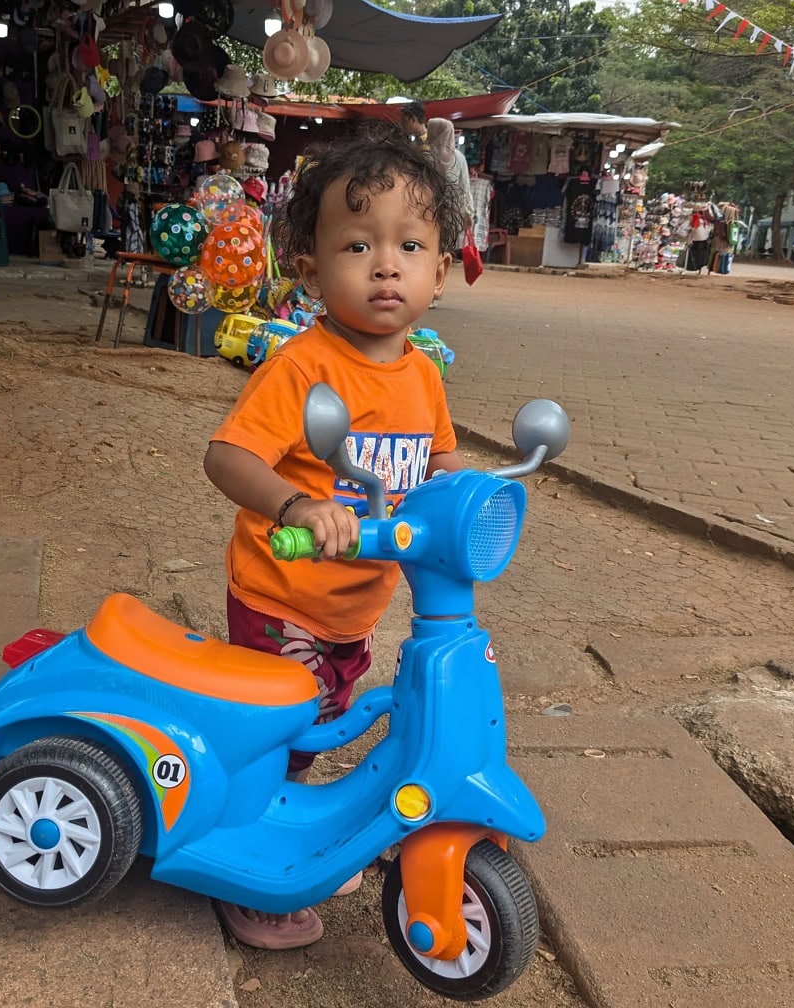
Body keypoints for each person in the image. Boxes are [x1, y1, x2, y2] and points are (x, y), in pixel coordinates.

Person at [203, 124, 468, 951]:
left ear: (441, 268)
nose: (386, 263)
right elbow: (228, 455)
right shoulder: (304, 367)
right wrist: (293, 508)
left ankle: (299, 829)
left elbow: (442, 460)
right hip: (284, 596)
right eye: (358, 244)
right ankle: (244, 870)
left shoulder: (422, 371)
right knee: (279, 733)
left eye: (410, 244)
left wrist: (468, 499)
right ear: (312, 272)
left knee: (330, 719)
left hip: (357, 605)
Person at [425, 118, 474, 308]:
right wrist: (468, 212)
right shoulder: (459, 158)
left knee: (427, 252)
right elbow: (464, 187)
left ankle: (426, 293)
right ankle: (436, 292)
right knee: (442, 252)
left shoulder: (424, 156)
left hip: (427, 213)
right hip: (450, 215)